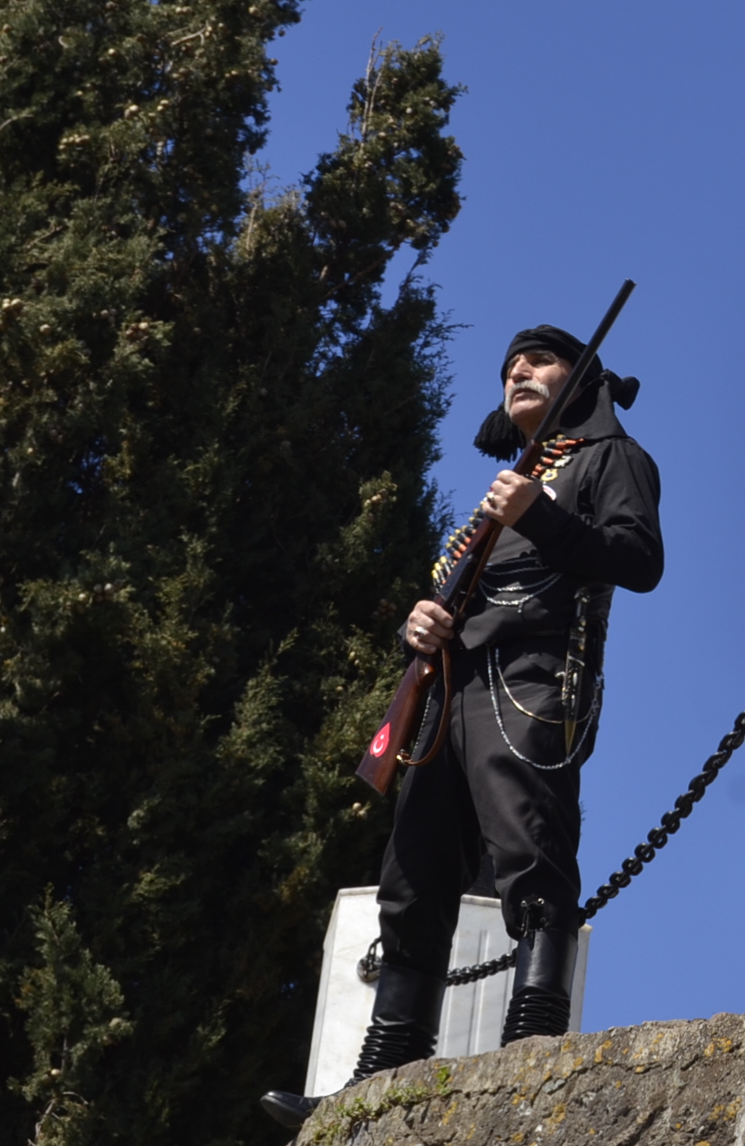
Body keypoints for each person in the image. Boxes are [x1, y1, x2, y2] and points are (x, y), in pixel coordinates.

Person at [262, 326, 663, 1130]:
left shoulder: (609, 461)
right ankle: (379, 1083)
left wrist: (542, 519)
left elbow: (638, 560)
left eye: (541, 360)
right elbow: (457, 601)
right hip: (450, 689)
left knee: (529, 849)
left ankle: (535, 1045)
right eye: (511, 364)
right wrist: (423, 623)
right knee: (411, 875)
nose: (519, 369)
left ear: (583, 380)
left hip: (531, 679)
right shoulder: (507, 482)